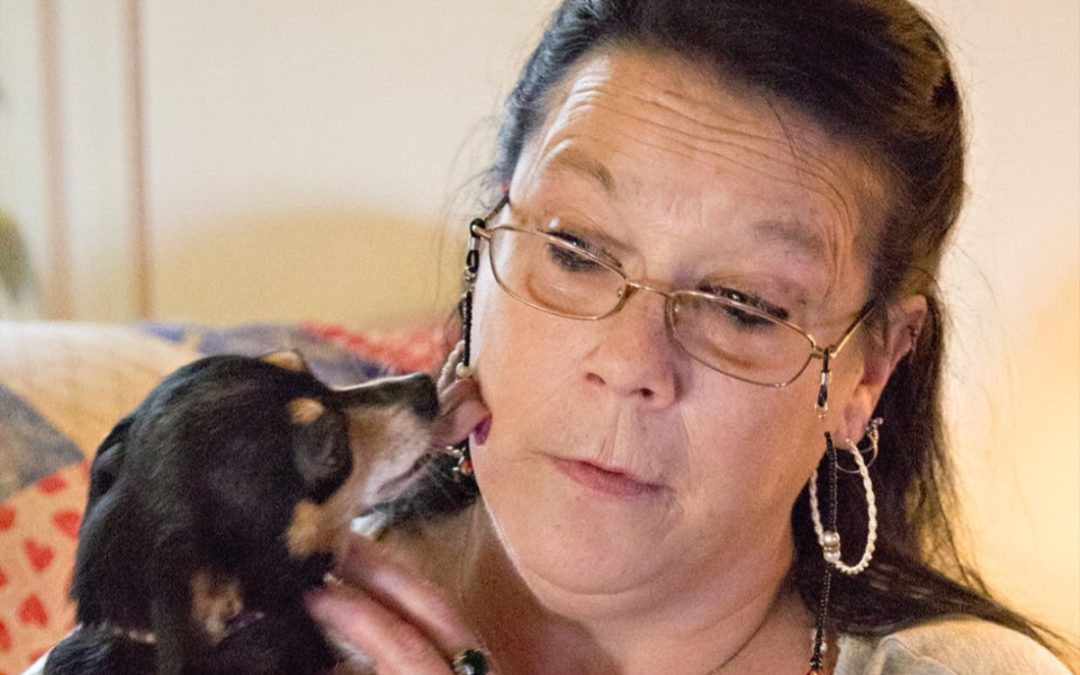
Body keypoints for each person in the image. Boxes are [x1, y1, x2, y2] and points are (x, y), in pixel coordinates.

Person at [301, 1, 1076, 673]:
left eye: (743, 305)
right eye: (574, 250)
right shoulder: (249, 614)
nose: (628, 361)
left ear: (869, 370)